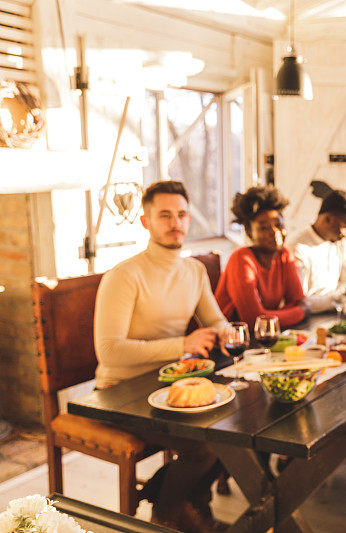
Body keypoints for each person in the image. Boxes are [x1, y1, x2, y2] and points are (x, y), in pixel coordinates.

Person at [94, 180, 228, 532]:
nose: (176, 223)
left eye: (182, 214)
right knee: (203, 448)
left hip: (170, 382)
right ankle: (167, 516)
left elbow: (215, 320)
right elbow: (108, 351)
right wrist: (183, 344)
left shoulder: (194, 270)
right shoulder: (124, 276)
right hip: (119, 391)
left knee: (234, 431)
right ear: (146, 222)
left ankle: (180, 499)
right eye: (164, 215)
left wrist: (227, 332)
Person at [215, 186, 308, 331]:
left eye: (278, 225)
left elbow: (297, 301)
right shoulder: (241, 259)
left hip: (263, 338)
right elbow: (254, 321)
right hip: (229, 341)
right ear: (249, 233)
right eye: (264, 228)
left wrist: (272, 316)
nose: (274, 232)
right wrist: (300, 312)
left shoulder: (284, 255)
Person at [287, 189, 346, 313]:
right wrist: (343, 295)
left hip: (337, 312)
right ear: (327, 219)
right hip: (309, 319)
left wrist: (343, 295)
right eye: (344, 227)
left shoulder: (339, 241)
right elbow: (302, 301)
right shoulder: (298, 247)